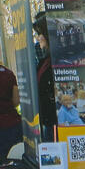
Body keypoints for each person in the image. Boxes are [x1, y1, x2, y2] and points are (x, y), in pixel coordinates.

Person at [33, 12, 57, 142]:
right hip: (47, 122)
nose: (37, 38)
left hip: (55, 125)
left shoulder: (56, 61)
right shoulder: (45, 60)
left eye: (39, 34)